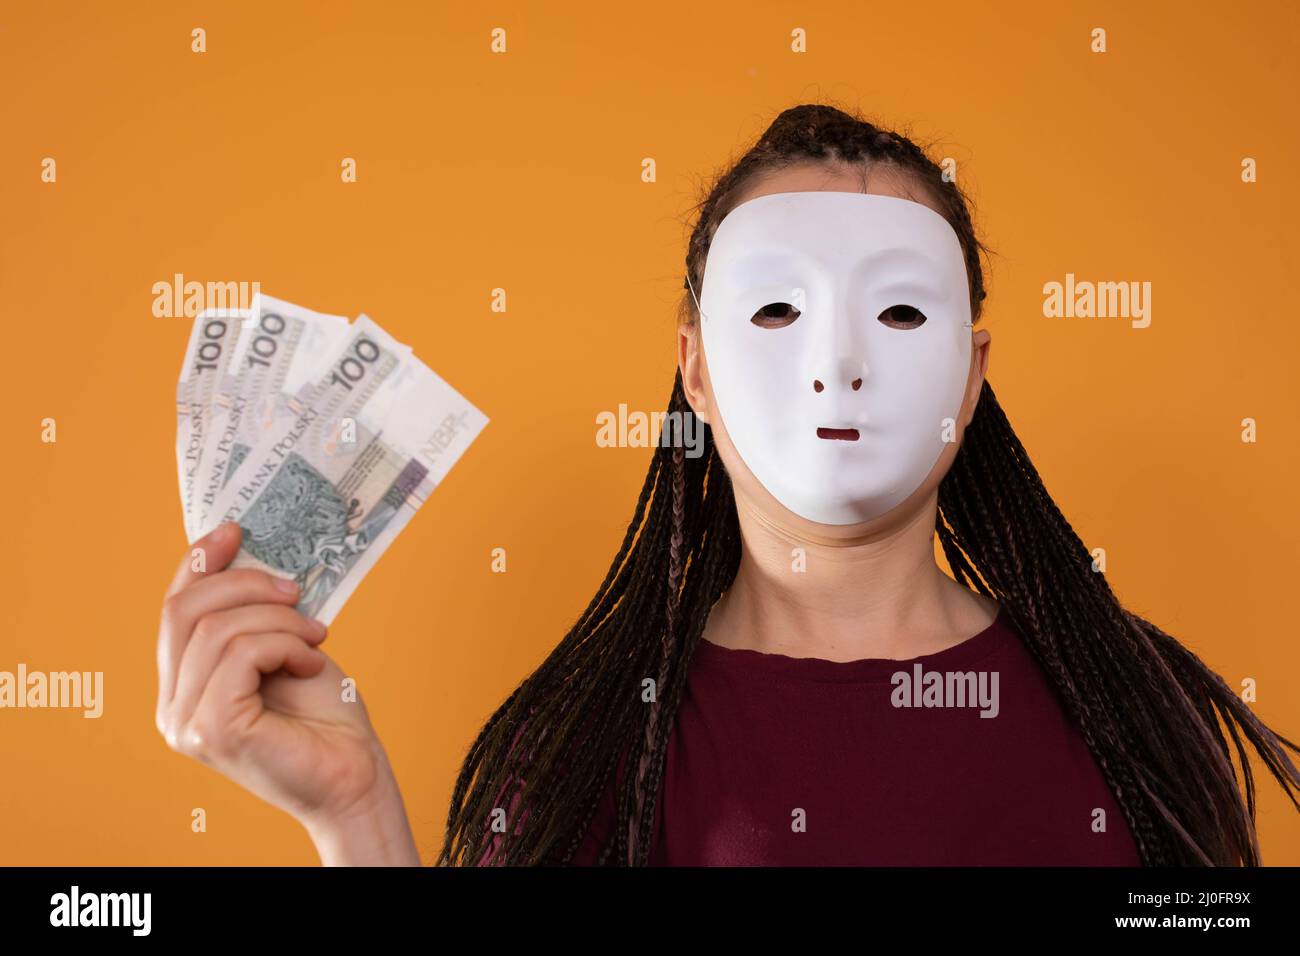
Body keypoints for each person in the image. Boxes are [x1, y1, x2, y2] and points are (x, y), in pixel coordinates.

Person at [154, 103, 1300, 867]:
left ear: (971, 365)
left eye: (901, 310)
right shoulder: (576, 753)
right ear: (694, 365)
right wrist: (353, 813)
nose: (834, 360)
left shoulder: (1136, 721)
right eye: (775, 309)